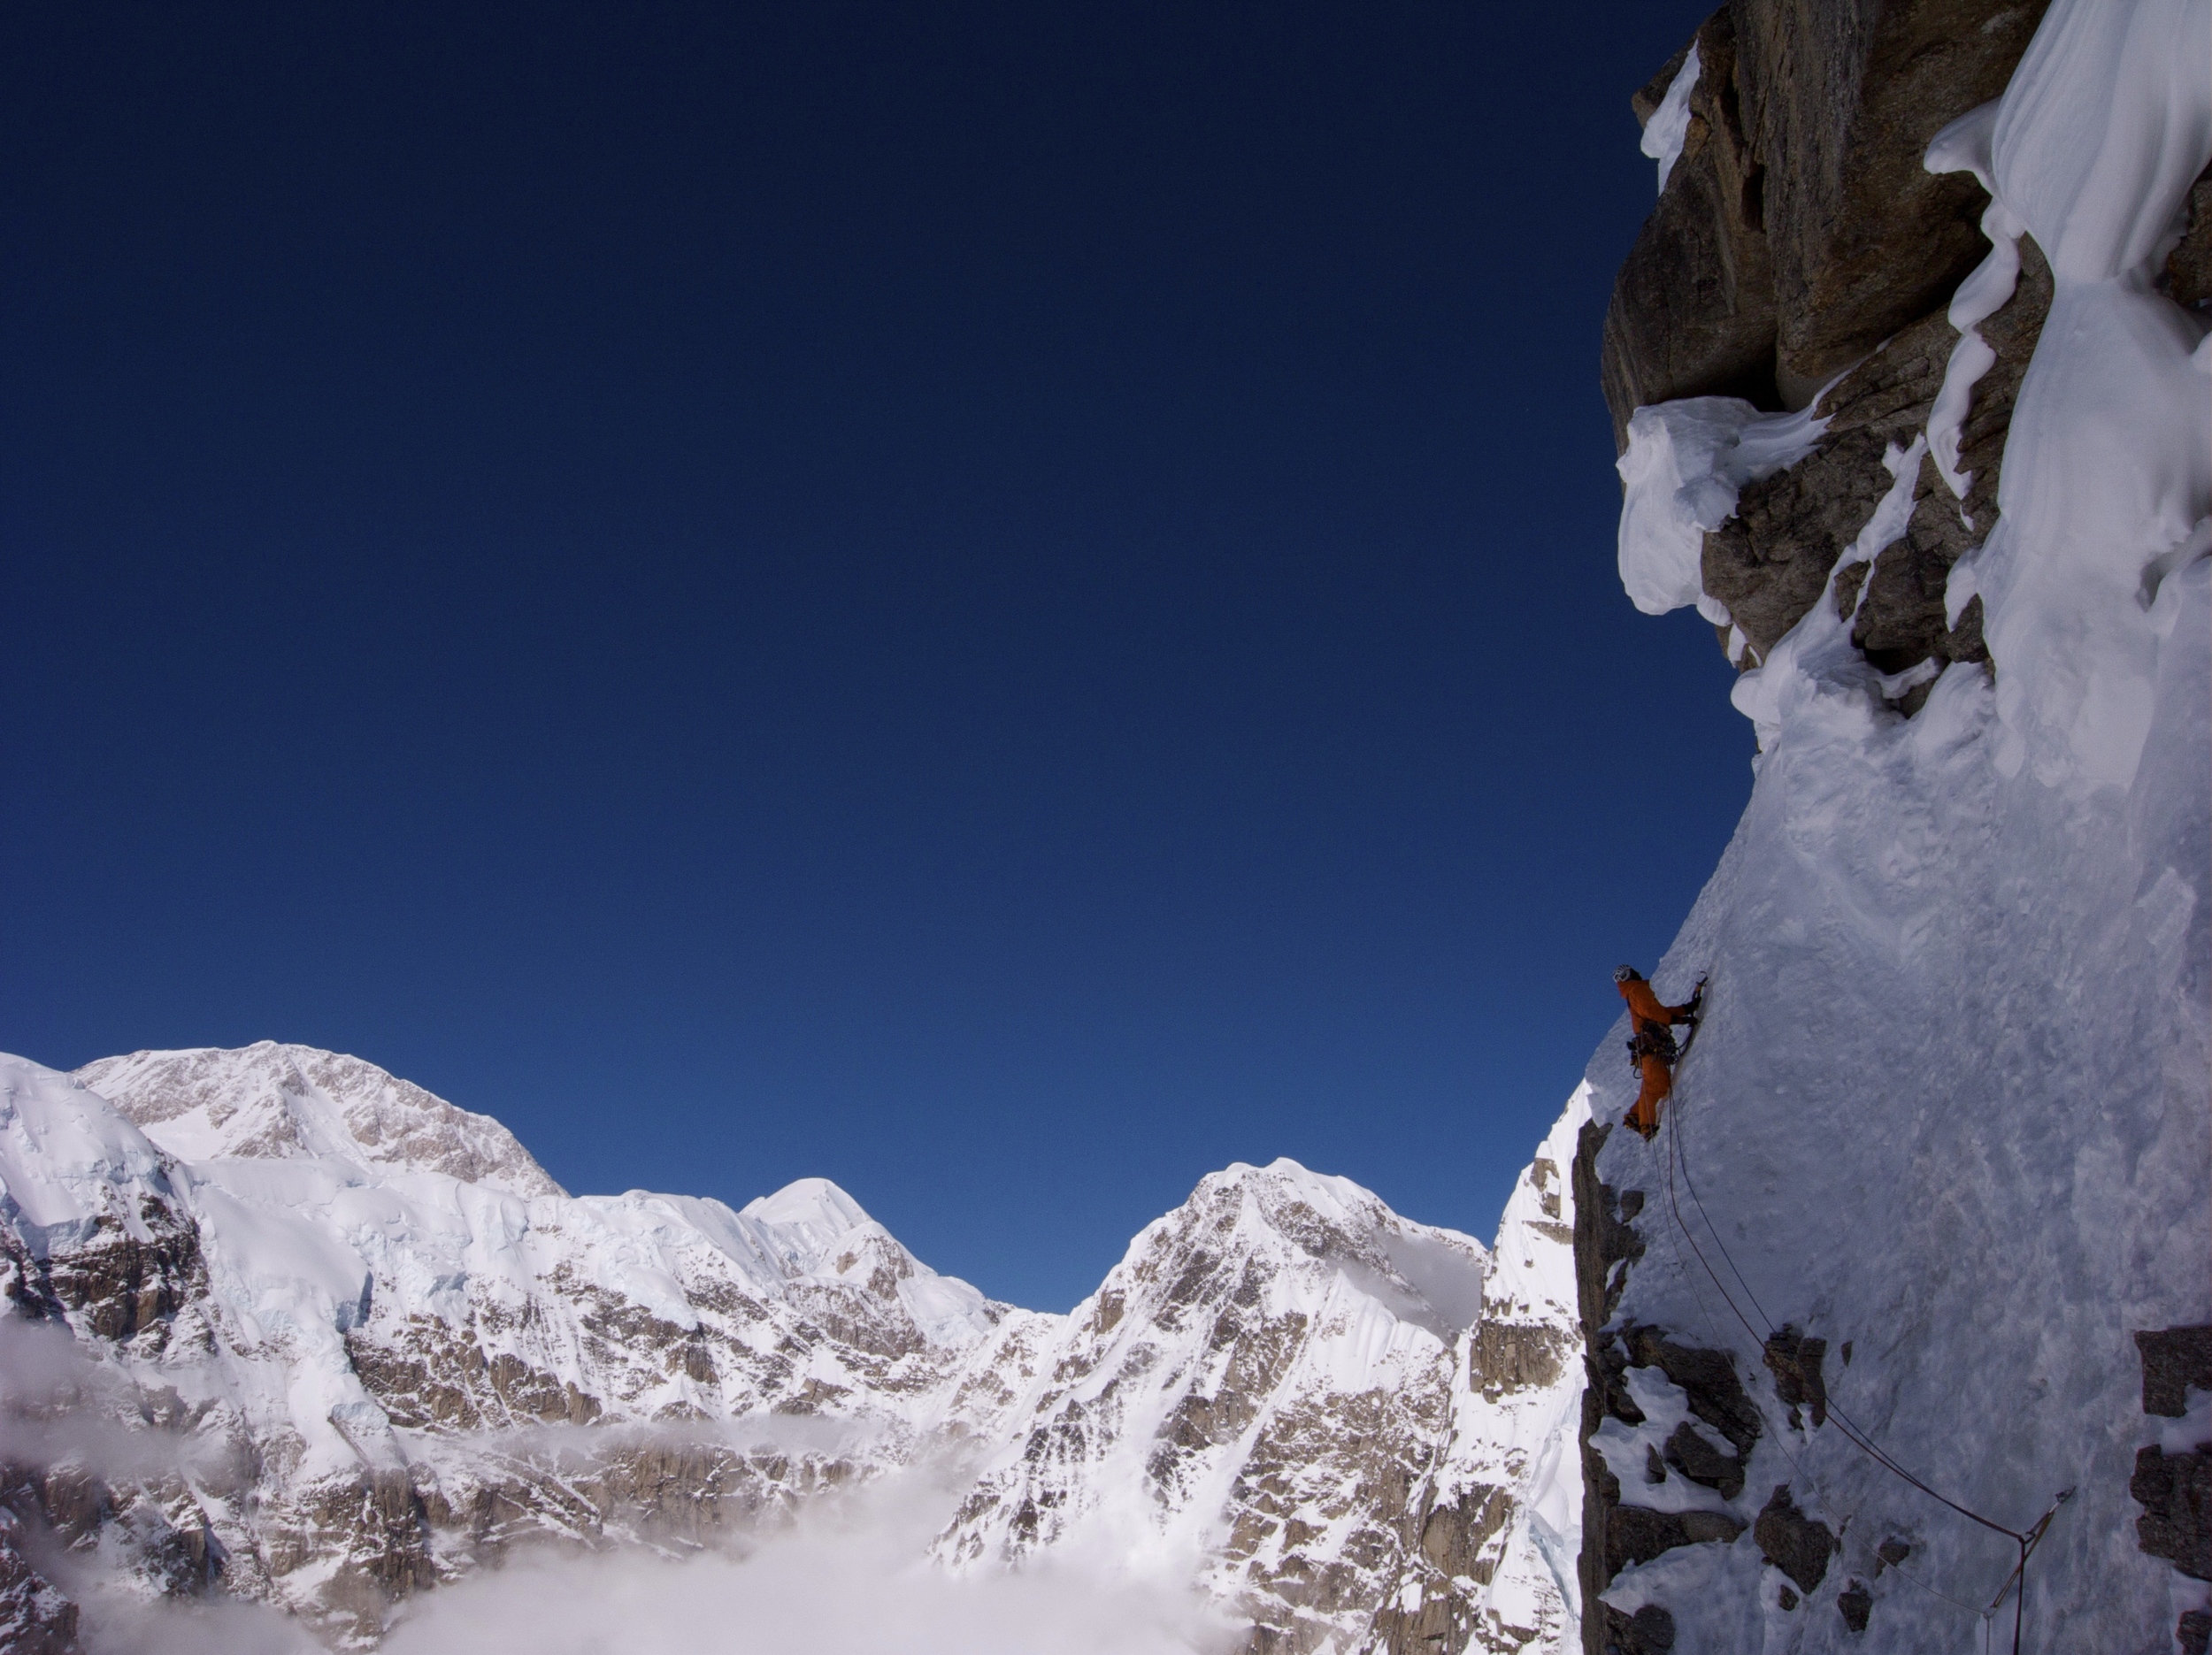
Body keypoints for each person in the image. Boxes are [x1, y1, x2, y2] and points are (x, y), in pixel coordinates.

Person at [1614, 965, 1701, 1139]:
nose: (1638, 972)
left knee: (1653, 1083)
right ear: (1629, 975)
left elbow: (1656, 1012)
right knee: (1655, 1087)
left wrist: (1685, 1009)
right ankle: (1646, 1125)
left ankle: (1636, 1115)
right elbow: (1653, 1012)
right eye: (1633, 971)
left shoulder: (1634, 992)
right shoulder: (1638, 989)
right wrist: (1678, 1019)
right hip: (1651, 1047)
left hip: (1647, 1047)